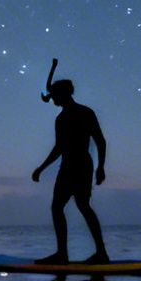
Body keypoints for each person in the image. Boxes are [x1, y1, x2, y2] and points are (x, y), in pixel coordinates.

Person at [30, 78, 108, 264]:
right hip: (71, 166)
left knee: (71, 206)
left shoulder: (83, 113)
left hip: (78, 166)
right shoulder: (63, 118)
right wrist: (41, 168)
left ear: (63, 94)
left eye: (55, 95)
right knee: (71, 206)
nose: (53, 99)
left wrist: (101, 167)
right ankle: (72, 254)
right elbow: (59, 148)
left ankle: (86, 254)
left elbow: (100, 140)